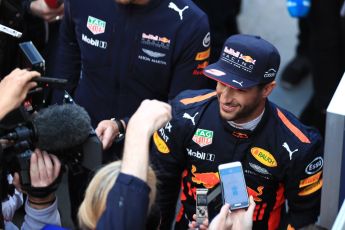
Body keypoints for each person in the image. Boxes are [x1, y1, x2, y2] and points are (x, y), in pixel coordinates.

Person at [150, 34, 324, 229]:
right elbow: (161, 186)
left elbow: (303, 215)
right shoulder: (184, 114)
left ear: (267, 89)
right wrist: (200, 222)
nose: (225, 97)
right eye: (221, 82)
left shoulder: (299, 145)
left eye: (239, 89)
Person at [52, 0, 212, 155]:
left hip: (148, 156)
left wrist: (123, 126)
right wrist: (54, 129)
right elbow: (65, 66)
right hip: (79, 144)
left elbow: (183, 110)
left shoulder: (190, 23)